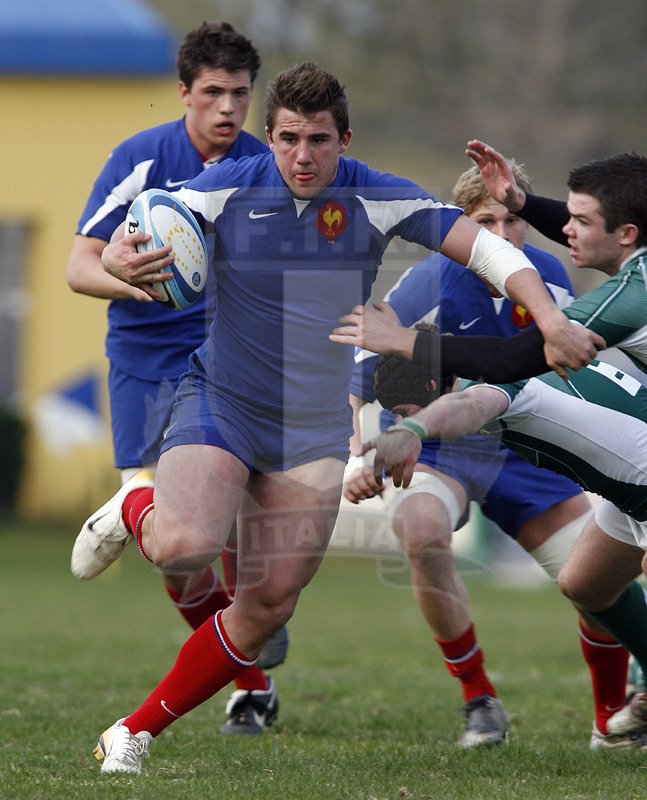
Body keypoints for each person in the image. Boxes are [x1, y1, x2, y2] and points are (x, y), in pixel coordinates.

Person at [70, 62, 601, 774]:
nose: (302, 156)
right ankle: (137, 503)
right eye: (288, 139)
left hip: (311, 426)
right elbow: (150, 221)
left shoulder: (376, 195)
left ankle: (130, 733)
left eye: (318, 140)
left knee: (267, 607)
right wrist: (127, 257)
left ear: (342, 140)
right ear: (268, 138)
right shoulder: (226, 183)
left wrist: (545, 316)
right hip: (223, 399)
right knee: (185, 548)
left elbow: (490, 250)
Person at [331, 146, 647, 744]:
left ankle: (614, 715)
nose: (503, 236)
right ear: (460, 228)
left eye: (512, 221)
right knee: (423, 530)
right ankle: (478, 698)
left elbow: (523, 365)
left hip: (531, 435)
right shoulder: (426, 280)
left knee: (595, 584)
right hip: (457, 441)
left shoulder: (562, 277)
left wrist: (414, 348)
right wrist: (356, 455)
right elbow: (356, 377)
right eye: (485, 224)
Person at [66, 21, 285, 734]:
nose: (227, 108)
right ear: (185, 92)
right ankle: (249, 676)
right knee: (175, 557)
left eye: (240, 94)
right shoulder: (140, 159)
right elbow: (79, 267)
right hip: (142, 355)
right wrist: (125, 278)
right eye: (213, 92)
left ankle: (246, 640)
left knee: (217, 518)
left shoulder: (269, 168)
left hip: (228, 356)